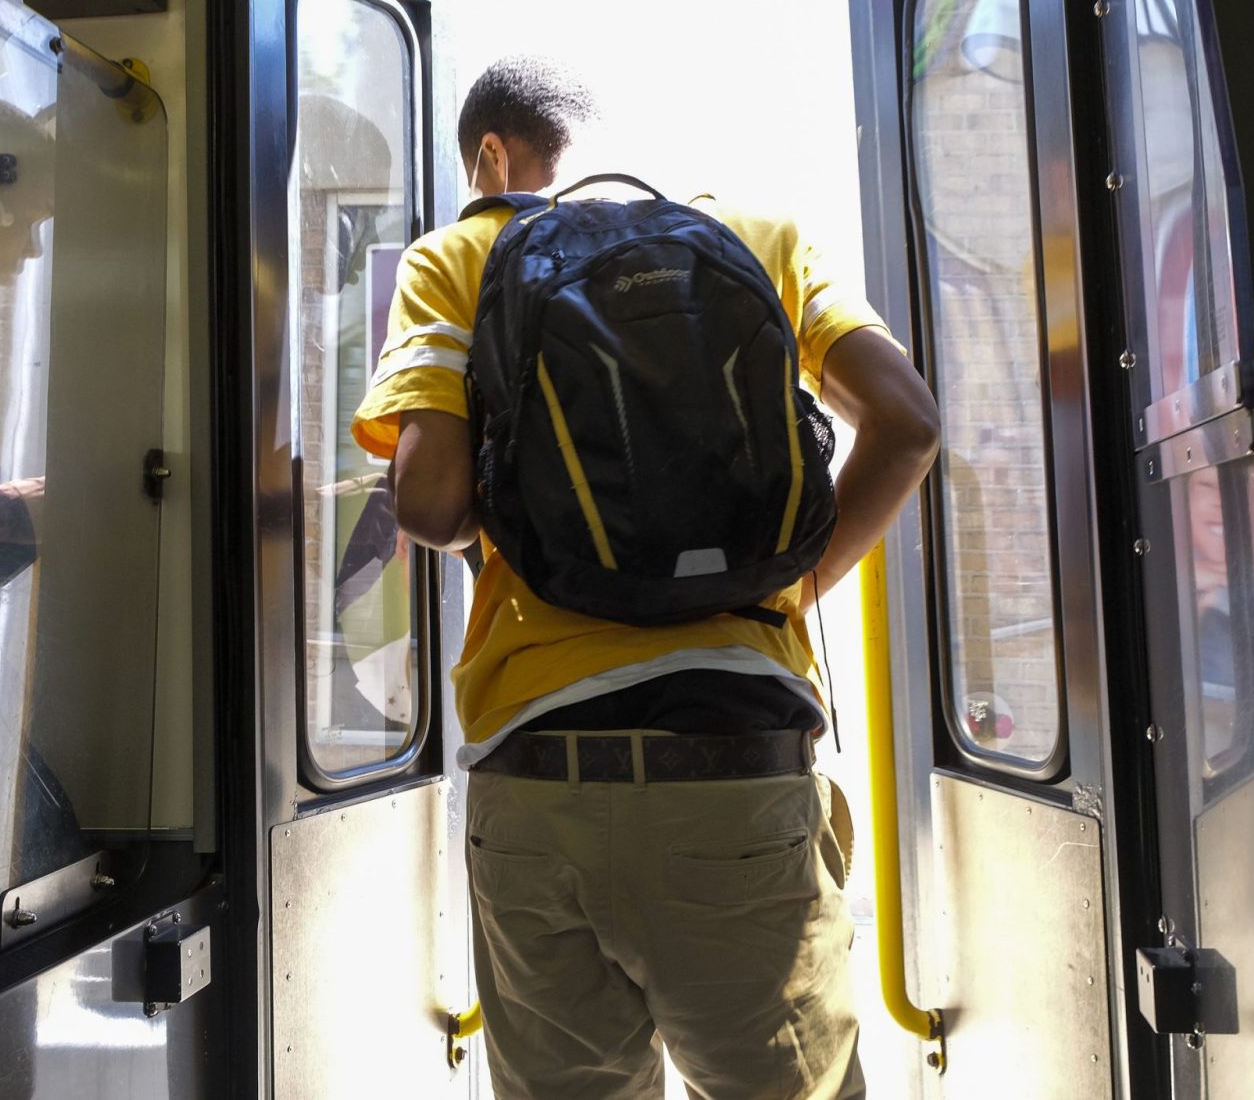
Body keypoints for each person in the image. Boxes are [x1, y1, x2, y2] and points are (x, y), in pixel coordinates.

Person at [350, 57, 941, 1098]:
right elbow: (906, 423)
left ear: (490, 155)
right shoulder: (755, 242)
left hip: (535, 776)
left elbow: (431, 504)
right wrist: (790, 590)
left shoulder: (456, 255)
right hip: (734, 758)